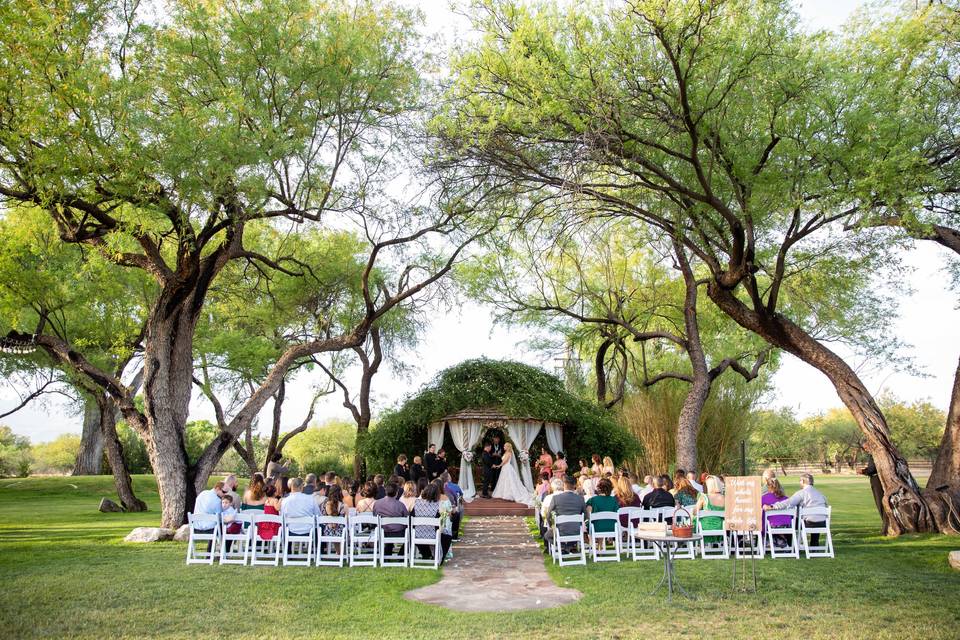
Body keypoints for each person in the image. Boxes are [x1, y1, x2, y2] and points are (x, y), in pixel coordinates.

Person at [765, 473, 829, 546]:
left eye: (800, 481)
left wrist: (773, 506)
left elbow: (788, 503)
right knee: (816, 517)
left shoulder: (802, 493)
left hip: (808, 523)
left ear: (802, 481)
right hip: (823, 523)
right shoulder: (820, 494)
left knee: (789, 523)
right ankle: (814, 544)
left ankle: (790, 545)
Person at [543, 474, 586, 553]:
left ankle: (563, 547)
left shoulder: (556, 498)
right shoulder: (580, 498)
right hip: (576, 530)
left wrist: (551, 525)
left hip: (561, 530)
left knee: (547, 535)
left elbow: (548, 515)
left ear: (564, 485)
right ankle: (569, 547)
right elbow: (585, 515)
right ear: (574, 485)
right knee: (571, 529)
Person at [412, 482, 453, 564]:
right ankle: (440, 558)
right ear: (436, 494)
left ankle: (426, 554)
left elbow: (412, 517)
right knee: (447, 536)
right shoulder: (438, 505)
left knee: (420, 532)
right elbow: (440, 522)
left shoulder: (416, 503)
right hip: (433, 534)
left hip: (417, 534)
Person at [373, 481, 409, 557]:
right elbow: (407, 518)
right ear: (396, 493)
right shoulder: (400, 505)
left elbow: (374, 516)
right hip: (399, 533)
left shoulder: (377, 503)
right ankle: (401, 554)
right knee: (410, 534)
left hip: (383, 532)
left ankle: (388, 553)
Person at [859, 455, 889, 536]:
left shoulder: (874, 455)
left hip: (877, 480)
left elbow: (872, 469)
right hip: (878, 479)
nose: (865, 448)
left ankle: (887, 526)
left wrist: (863, 471)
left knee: (880, 502)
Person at [693, 476, 726, 543]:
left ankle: (693, 544)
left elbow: (695, 512)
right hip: (720, 526)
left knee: (691, 522)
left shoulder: (704, 497)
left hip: (705, 526)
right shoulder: (725, 498)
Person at [761, 477, 792, 547]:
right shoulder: (786, 498)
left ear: (768, 487)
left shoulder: (763, 498)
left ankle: (769, 541)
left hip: (772, 526)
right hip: (787, 526)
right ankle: (781, 541)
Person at [442, 471, 464, 540]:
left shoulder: (438, 487)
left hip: (442, 510)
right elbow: (460, 495)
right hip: (449, 509)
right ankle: (455, 534)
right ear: (449, 478)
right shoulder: (455, 486)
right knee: (458, 511)